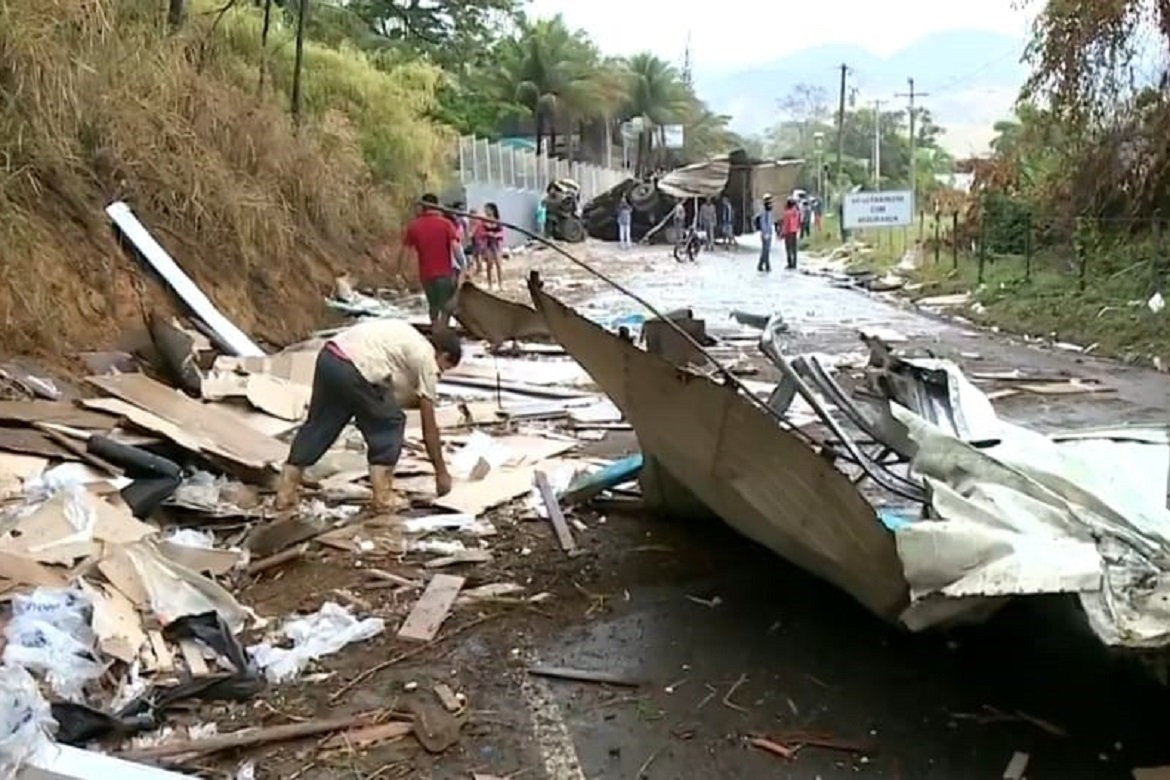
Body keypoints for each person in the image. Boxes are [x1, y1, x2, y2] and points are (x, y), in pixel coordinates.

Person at [273, 320, 463, 514]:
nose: (440, 374)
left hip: (329, 357)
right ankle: (383, 496)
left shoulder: (410, 337)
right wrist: (441, 473)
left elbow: (387, 385)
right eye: (445, 368)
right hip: (356, 368)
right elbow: (428, 426)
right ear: (444, 355)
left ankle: (286, 492)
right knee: (390, 422)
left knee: (321, 423)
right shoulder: (426, 359)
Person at [394, 193, 459, 327]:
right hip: (445, 273)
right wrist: (464, 267)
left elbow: (405, 251)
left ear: (423, 207)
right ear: (437, 206)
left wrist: (400, 272)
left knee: (433, 304)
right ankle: (443, 328)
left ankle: (435, 327)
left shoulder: (414, 226)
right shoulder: (446, 224)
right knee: (446, 305)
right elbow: (456, 248)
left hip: (426, 274)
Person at [474, 202, 505, 289]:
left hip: (496, 245)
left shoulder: (498, 221)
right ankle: (490, 284)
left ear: (492, 210)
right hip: (487, 244)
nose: (486, 211)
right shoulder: (482, 222)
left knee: (499, 264)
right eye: (485, 209)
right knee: (489, 264)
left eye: (487, 209)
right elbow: (479, 233)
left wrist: (496, 235)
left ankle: (500, 284)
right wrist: (487, 234)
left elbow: (502, 233)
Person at [755, 194, 775, 272]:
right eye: (769, 200)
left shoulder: (769, 210)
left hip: (769, 233)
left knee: (766, 250)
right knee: (765, 250)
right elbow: (763, 223)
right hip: (765, 234)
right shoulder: (764, 211)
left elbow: (770, 222)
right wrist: (765, 233)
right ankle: (766, 266)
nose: (770, 202)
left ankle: (762, 265)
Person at [781, 197, 802, 270]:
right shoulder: (797, 212)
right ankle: (794, 263)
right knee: (794, 248)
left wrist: (783, 233)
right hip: (794, 232)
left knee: (788, 248)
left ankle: (790, 263)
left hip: (788, 233)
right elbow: (799, 222)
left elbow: (785, 224)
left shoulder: (787, 213)